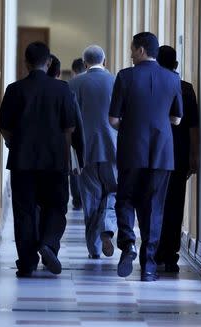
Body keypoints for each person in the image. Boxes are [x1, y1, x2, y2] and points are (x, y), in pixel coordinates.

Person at [109, 32, 183, 282]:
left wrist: (132, 127)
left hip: (132, 149)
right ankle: (149, 266)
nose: (130, 54)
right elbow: (177, 118)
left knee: (126, 198)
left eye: (132, 49)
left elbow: (113, 119)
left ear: (141, 50)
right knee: (154, 207)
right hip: (162, 152)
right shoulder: (172, 78)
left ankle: (127, 244)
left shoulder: (125, 76)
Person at [0, 42, 77, 278]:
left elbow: (4, 127)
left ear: (26, 62)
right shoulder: (62, 90)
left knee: (24, 211)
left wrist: (14, 142)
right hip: (54, 160)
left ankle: (27, 262)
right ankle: (49, 243)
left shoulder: (14, 89)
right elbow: (69, 126)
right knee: (56, 205)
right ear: (49, 62)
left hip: (22, 160)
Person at [69, 45, 117, 259]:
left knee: (90, 197)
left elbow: (69, 122)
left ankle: (94, 249)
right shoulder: (116, 81)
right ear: (104, 61)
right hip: (113, 148)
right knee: (113, 191)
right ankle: (107, 226)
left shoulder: (75, 83)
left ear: (85, 62)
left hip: (85, 149)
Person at [155, 45, 199, 273]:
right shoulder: (186, 89)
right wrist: (194, 155)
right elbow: (193, 126)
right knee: (175, 204)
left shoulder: (152, 85)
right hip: (179, 155)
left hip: (154, 154)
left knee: (154, 203)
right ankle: (170, 253)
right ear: (176, 65)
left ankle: (154, 249)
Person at [48, 54, 85, 210]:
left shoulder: (70, 85)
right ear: (58, 73)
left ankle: (77, 199)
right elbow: (73, 124)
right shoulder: (65, 91)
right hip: (61, 148)